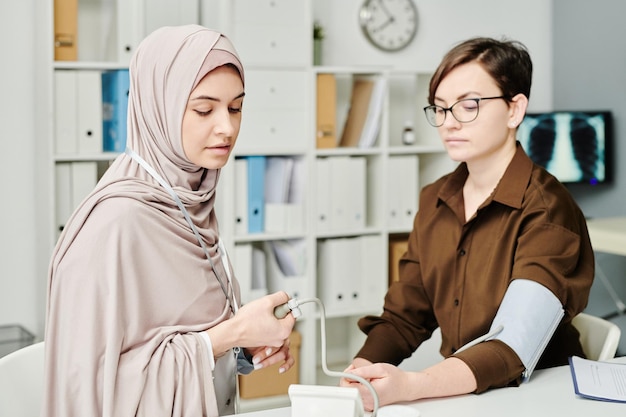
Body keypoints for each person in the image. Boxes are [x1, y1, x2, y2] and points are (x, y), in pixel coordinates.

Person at [42, 25, 296, 417]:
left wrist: (245, 345)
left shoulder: (190, 200)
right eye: (203, 109)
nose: (226, 128)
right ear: (158, 106)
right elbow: (89, 392)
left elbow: (190, 339)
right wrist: (232, 333)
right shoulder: (115, 224)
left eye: (235, 107)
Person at [340, 37, 594, 410]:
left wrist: (412, 385)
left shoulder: (548, 208)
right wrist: (362, 369)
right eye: (440, 109)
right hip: (468, 392)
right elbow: (404, 316)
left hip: (543, 396)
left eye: (469, 106)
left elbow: (512, 345)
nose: (448, 123)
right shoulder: (436, 198)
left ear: (514, 110)